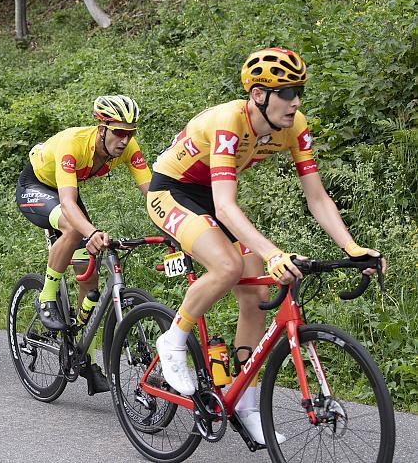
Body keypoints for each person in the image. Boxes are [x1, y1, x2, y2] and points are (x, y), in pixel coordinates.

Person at [146, 47, 386, 444]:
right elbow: (225, 204)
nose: (295, 102)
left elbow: (317, 197)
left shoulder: (295, 126)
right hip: (173, 191)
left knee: (257, 293)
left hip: (214, 196)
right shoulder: (229, 122)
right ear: (259, 95)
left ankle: (246, 401)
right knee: (227, 267)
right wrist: (273, 253)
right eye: (286, 92)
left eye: (299, 92)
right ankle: (173, 339)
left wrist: (352, 247)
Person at [15, 95, 152, 394]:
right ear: (101, 128)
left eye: (130, 132)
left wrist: (178, 225)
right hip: (36, 187)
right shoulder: (73, 144)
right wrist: (91, 232)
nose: (125, 139)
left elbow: (153, 193)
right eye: (118, 131)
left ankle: (82, 353)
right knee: (74, 230)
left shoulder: (129, 148)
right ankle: (46, 296)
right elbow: (67, 203)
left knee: (88, 278)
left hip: (67, 191)